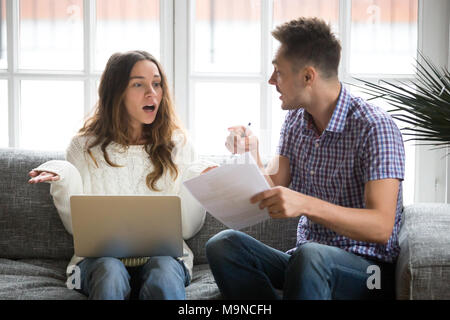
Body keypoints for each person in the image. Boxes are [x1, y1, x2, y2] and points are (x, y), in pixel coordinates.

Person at [206, 17, 405, 300]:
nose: (271, 80)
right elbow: (273, 186)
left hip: (369, 273)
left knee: (311, 255)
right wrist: (248, 156)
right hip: (304, 261)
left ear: (308, 76)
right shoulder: (295, 121)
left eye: (278, 72)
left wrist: (306, 204)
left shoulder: (375, 128)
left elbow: (381, 227)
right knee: (223, 245)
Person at [28, 50, 217, 300]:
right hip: (93, 262)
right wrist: (63, 177)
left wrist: (197, 178)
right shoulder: (83, 146)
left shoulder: (178, 144)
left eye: (157, 84)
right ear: (116, 92)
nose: (152, 93)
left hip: (166, 260)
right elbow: (78, 229)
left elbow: (186, 230)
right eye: (138, 84)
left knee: (163, 272)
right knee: (110, 271)